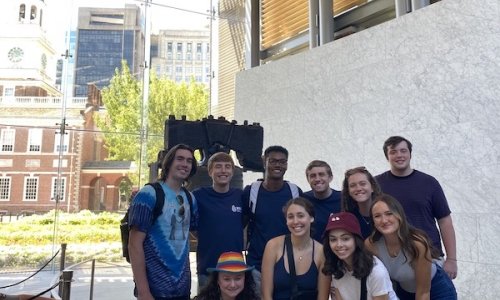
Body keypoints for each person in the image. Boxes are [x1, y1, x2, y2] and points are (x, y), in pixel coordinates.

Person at [375, 136, 458, 279]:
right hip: (392, 261)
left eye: (403, 151)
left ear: (410, 154)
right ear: (387, 157)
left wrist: (452, 259)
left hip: (431, 256)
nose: (399, 155)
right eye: (393, 152)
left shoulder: (429, 183)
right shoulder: (376, 184)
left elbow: (445, 222)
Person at [128, 144, 198, 300]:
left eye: (189, 161)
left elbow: (194, 233)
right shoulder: (149, 194)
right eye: (179, 159)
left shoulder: (190, 199)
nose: (185, 164)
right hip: (154, 289)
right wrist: (143, 291)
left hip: (182, 288)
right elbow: (134, 244)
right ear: (169, 162)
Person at [366, 194, 457, 300]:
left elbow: (423, 293)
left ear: (399, 215)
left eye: (389, 214)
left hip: (436, 289)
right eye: (377, 216)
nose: (384, 220)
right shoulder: (371, 245)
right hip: (405, 292)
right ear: (373, 221)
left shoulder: (417, 244)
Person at [243, 145, 302, 294]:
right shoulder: (251, 192)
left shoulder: (295, 192)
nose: (278, 165)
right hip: (257, 265)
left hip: (288, 265)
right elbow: (239, 224)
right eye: (273, 161)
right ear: (264, 162)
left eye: (282, 162)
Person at [193, 152, 246, 289]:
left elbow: (243, 222)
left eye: (227, 167)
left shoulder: (240, 197)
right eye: (218, 167)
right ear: (210, 171)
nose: (223, 170)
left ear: (232, 172)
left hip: (235, 268)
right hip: (208, 268)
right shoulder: (198, 196)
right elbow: (191, 226)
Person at [318, 211, 398, 300]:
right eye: (333, 239)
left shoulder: (376, 271)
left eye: (345, 238)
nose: (339, 244)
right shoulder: (336, 266)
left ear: (356, 240)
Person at [261, 197, 327, 300]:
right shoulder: (273, 246)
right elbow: (266, 295)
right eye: (290, 217)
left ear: (311, 218)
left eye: (300, 216)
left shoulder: (321, 252)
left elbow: (323, 297)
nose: (295, 221)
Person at [304, 160, 341, 242]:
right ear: (308, 179)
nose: (317, 179)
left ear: (330, 177)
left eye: (321, 174)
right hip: (312, 251)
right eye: (313, 176)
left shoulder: (343, 199)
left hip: (338, 250)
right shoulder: (303, 200)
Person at [341, 167, 382, 239]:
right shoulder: (348, 219)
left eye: (362, 184)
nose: (358, 188)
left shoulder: (386, 213)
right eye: (353, 185)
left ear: (372, 187)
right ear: (348, 191)